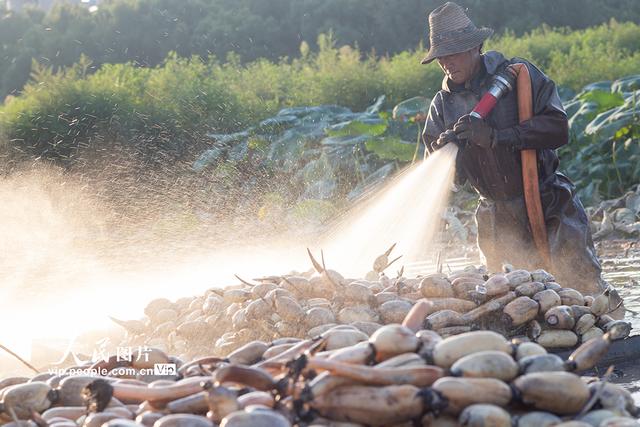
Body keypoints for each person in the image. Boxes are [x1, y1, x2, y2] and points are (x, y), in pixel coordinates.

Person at [421, 1, 618, 307]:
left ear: (476, 47)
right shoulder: (441, 106)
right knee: (515, 304)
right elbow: (442, 182)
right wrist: (447, 153)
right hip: (497, 218)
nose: (447, 63)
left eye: (454, 52)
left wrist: (498, 138)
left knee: (584, 291)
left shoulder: (519, 76)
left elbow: (558, 129)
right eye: (441, 57)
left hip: (549, 201)